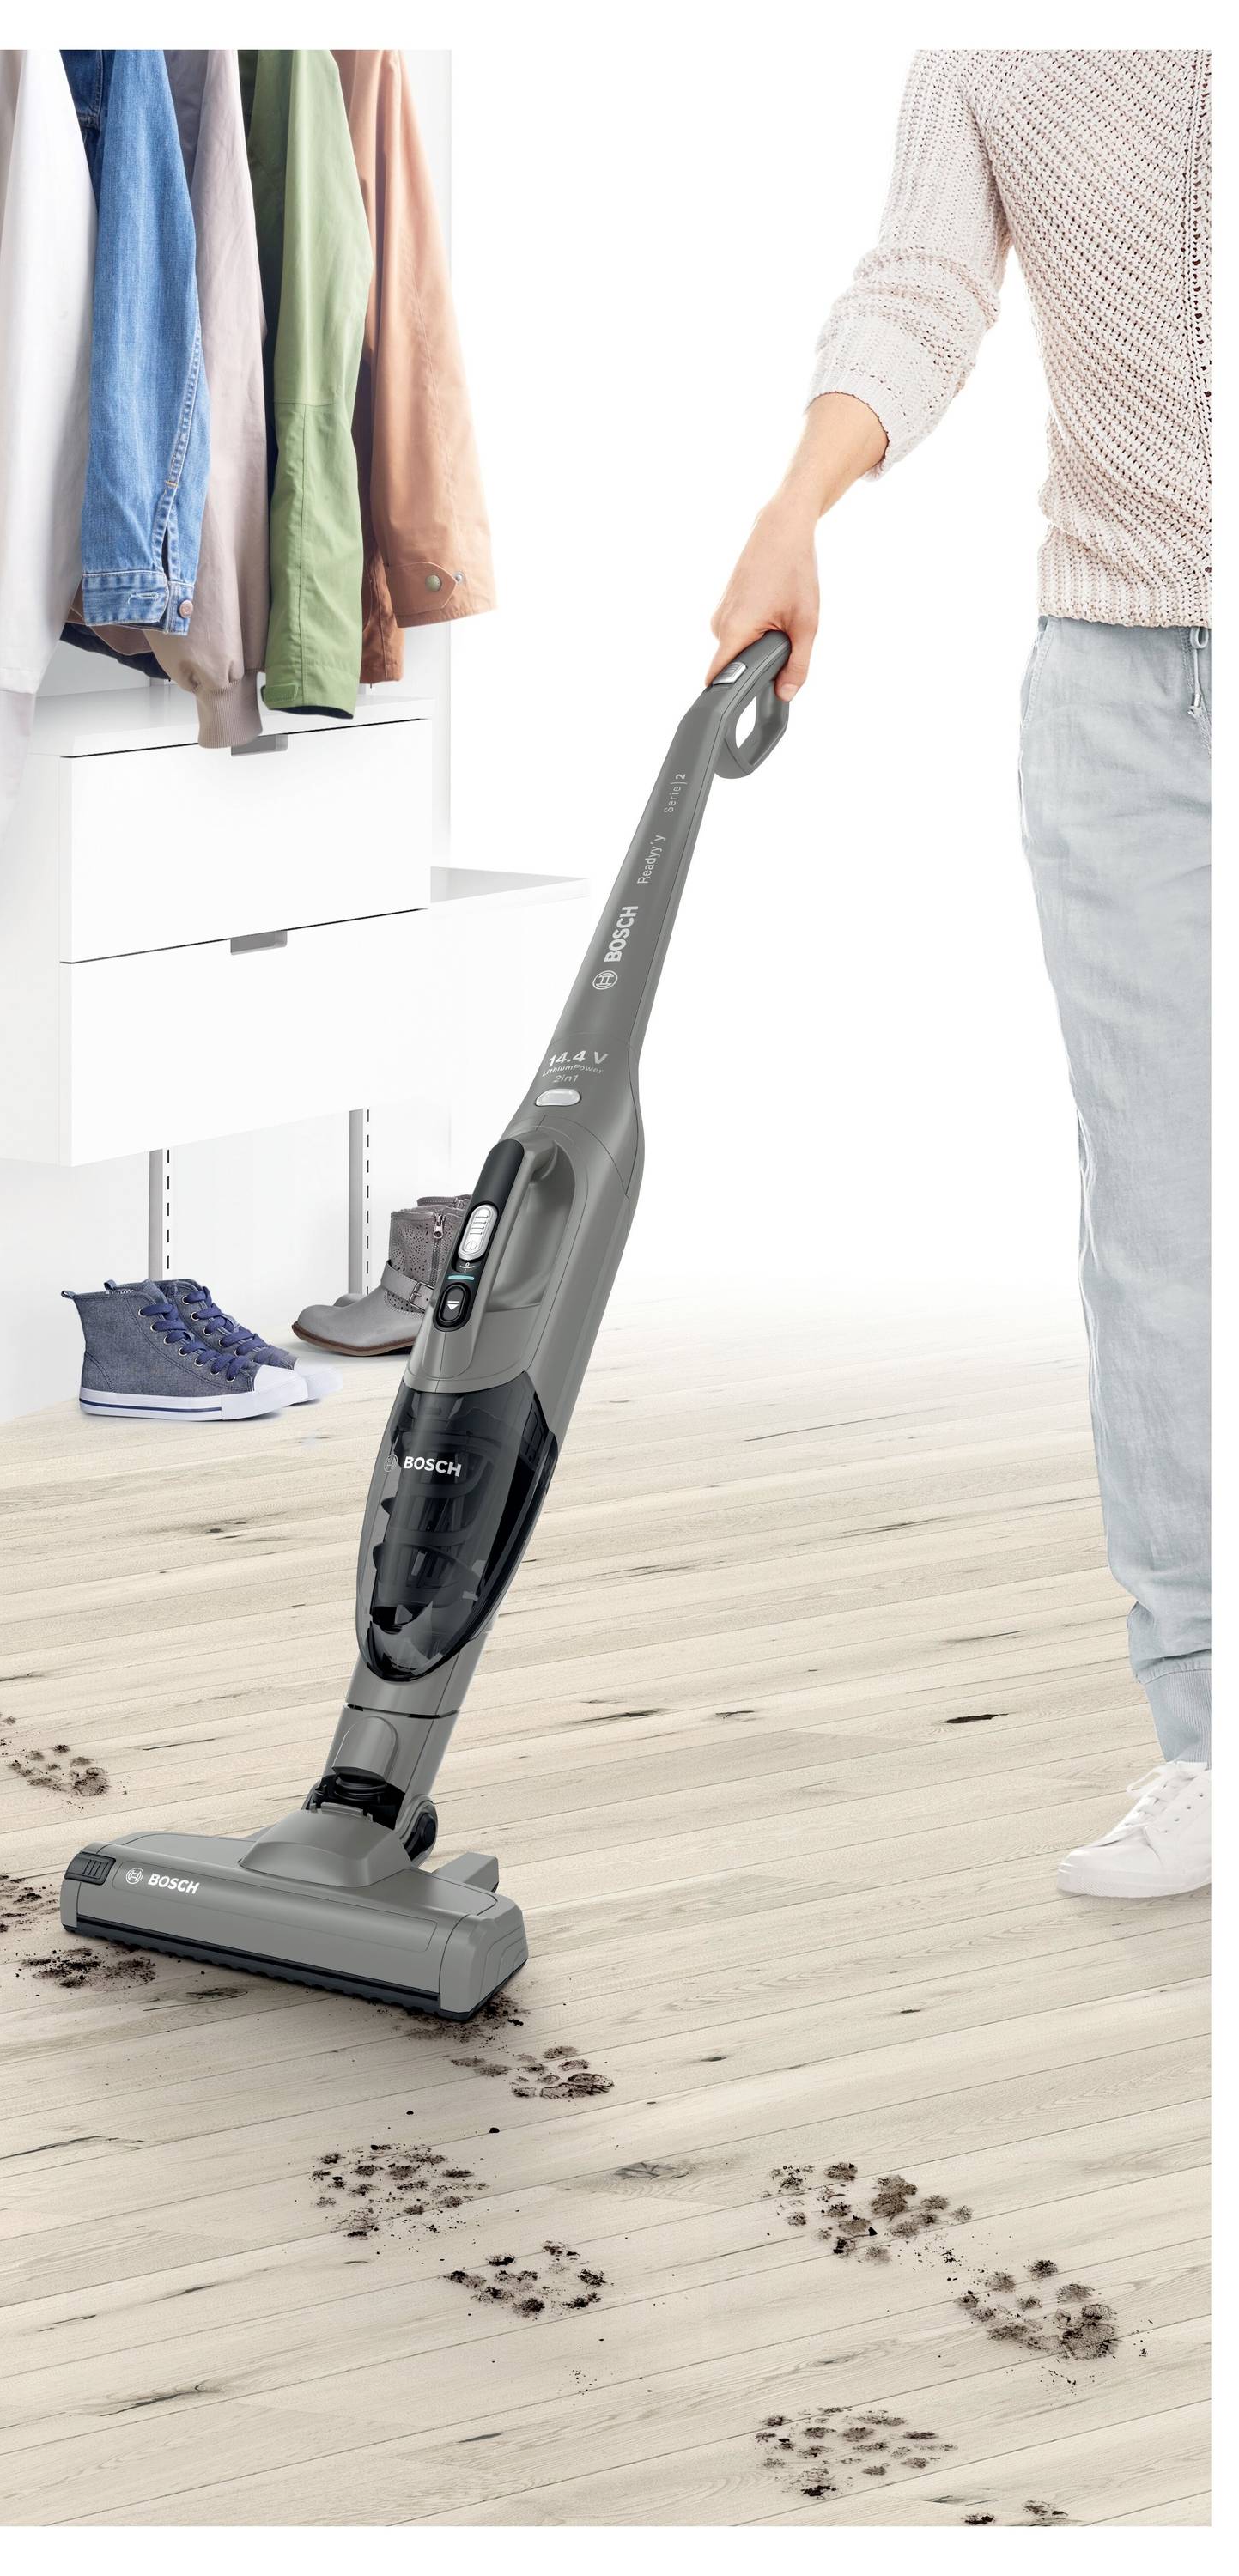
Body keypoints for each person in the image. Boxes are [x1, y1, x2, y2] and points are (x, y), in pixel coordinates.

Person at [709, 50, 1211, 1898]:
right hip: (1117, 688)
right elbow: (922, 288)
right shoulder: (993, 42)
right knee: (1162, 1226)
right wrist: (794, 510)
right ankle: (1208, 1736)